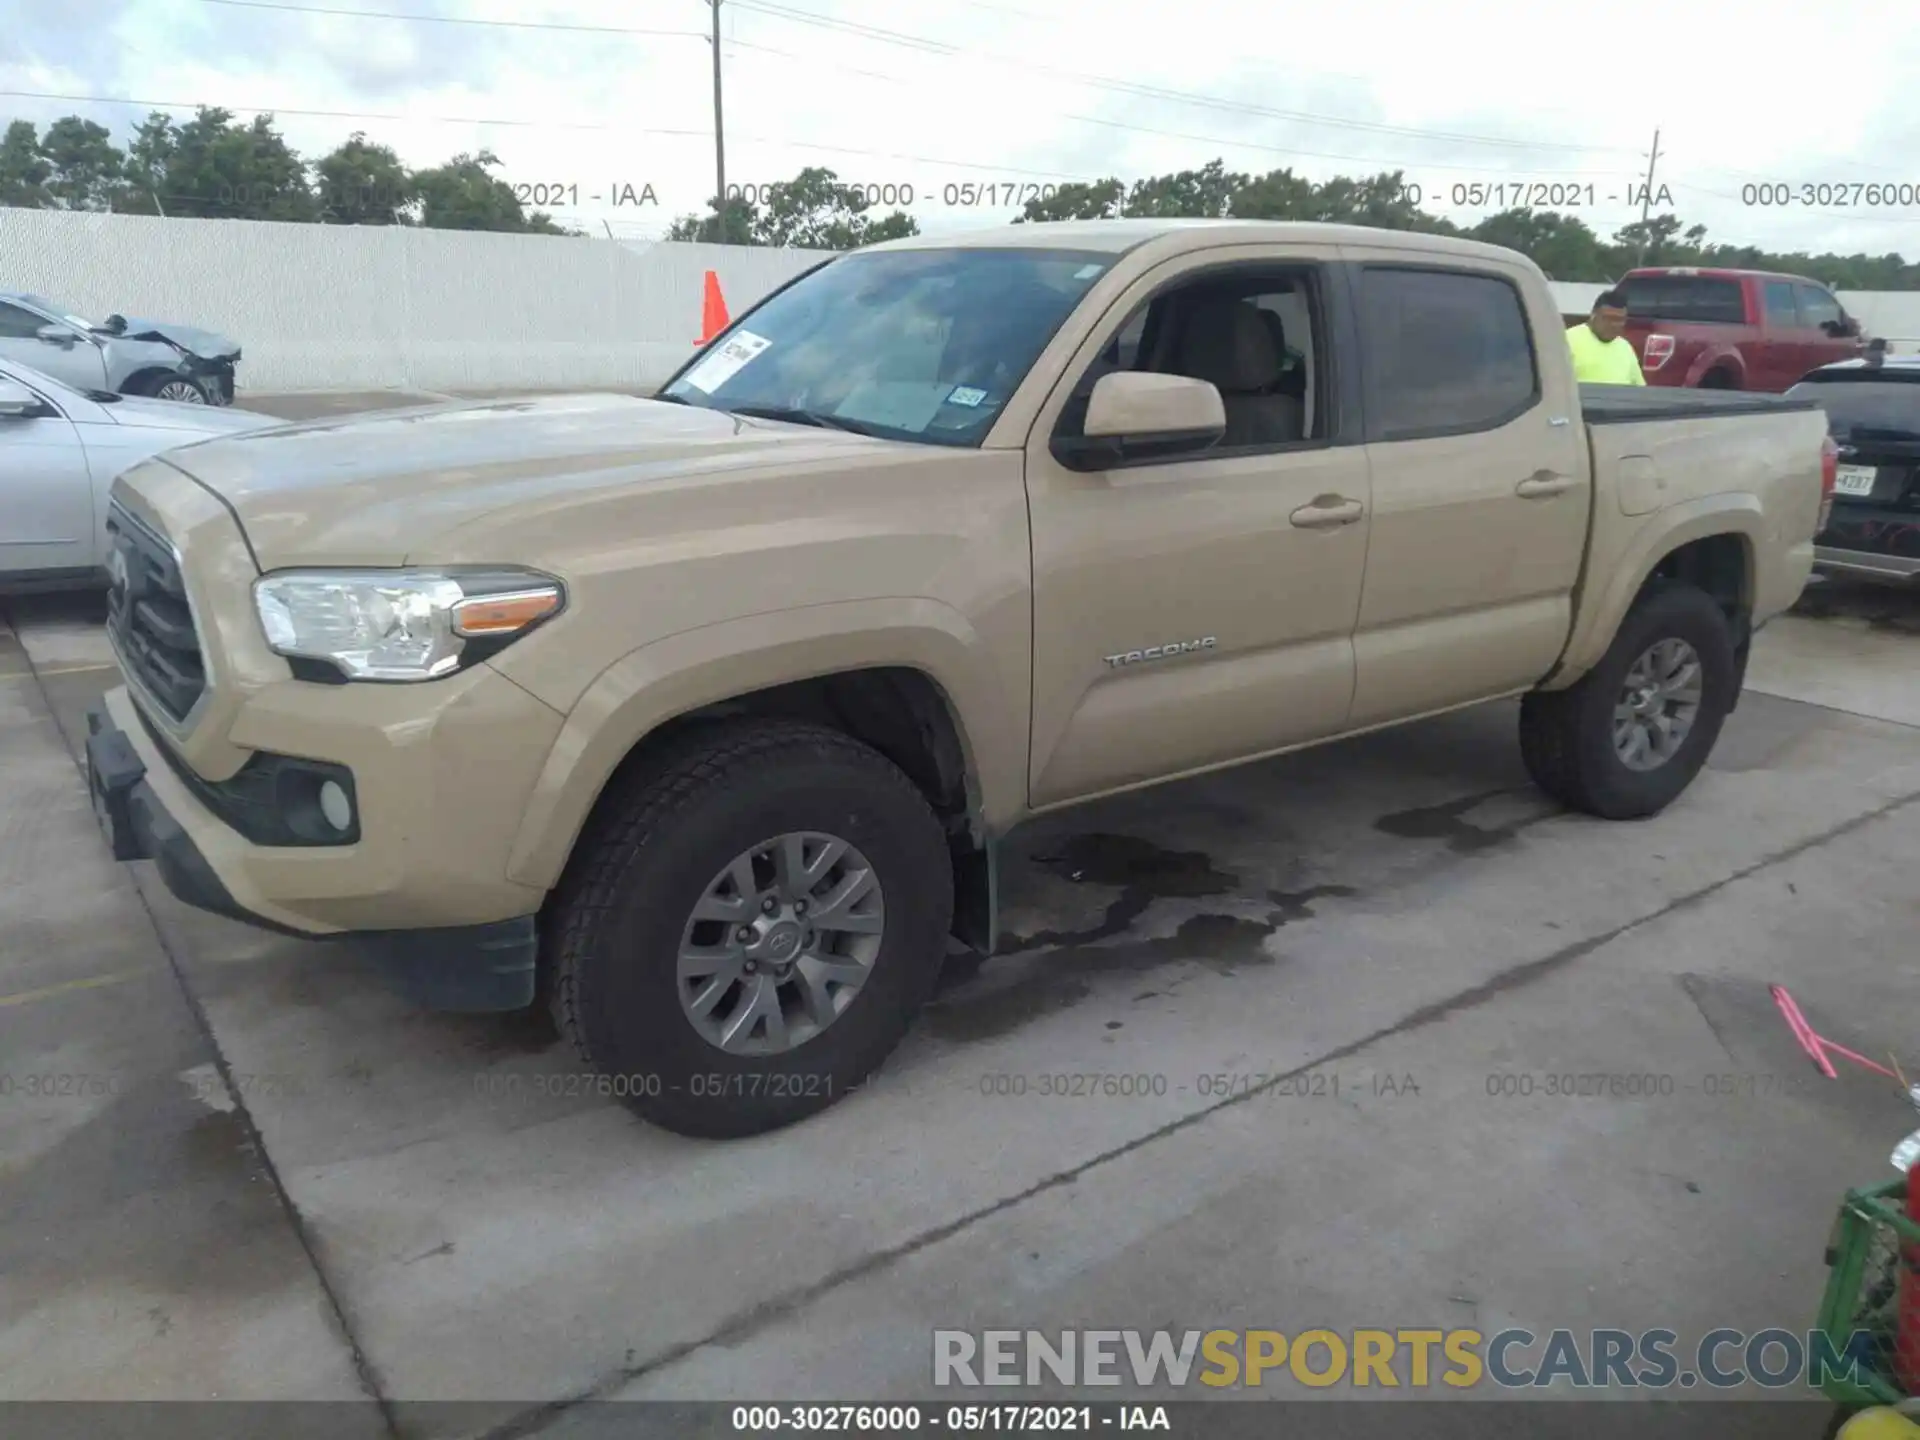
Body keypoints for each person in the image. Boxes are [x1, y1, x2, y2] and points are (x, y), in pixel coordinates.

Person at [1566, 287, 1646, 386]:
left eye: (1619, 320)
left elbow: (1639, 389)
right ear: (1593, 315)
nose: (1614, 324)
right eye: (1608, 318)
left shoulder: (1625, 348)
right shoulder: (1567, 341)